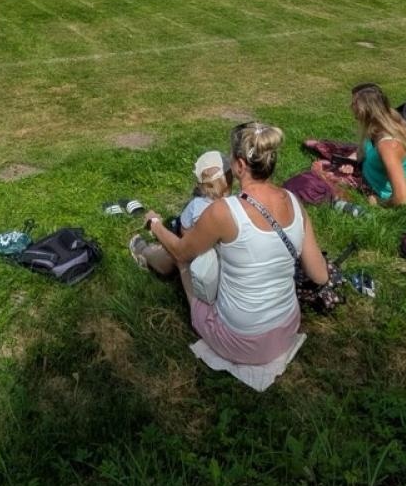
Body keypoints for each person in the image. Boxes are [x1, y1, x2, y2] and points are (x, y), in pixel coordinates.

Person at [137, 123, 327, 378]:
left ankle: (149, 254)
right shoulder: (294, 202)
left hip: (242, 342)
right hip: (287, 329)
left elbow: (182, 252)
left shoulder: (224, 211)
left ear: (239, 165)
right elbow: (320, 276)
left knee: (188, 262)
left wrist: (155, 224)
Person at [307, 83, 406, 208]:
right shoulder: (388, 119)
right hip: (369, 168)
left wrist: (379, 203)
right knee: (325, 151)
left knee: (315, 178)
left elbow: (402, 198)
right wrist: (351, 161)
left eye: (354, 104)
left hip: (375, 188)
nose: (350, 107)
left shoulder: (388, 147)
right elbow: (364, 148)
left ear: (365, 111)